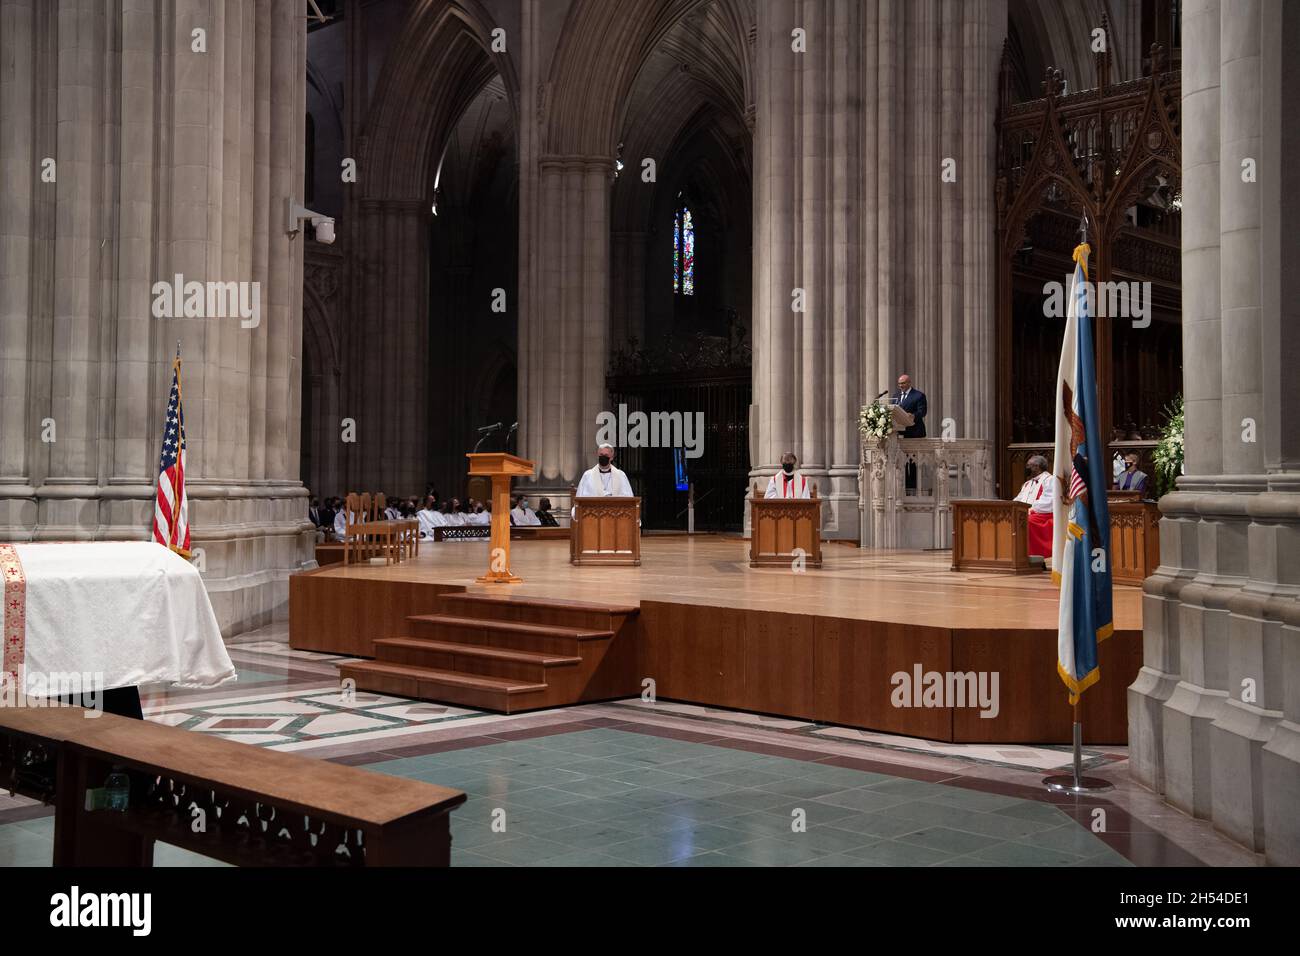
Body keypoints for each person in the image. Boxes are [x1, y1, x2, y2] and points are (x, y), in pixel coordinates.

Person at [1014, 454, 1054, 558]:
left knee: (1026, 521)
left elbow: (1049, 501)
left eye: (1029, 465)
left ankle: (1034, 556)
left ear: (1037, 467)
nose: (1026, 468)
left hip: (1044, 514)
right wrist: (1012, 507)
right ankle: (1016, 554)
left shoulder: (1050, 480)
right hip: (1027, 512)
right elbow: (1019, 499)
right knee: (1012, 519)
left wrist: (1030, 509)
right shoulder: (1027, 483)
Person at [892, 373, 927, 438]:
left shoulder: (918, 395)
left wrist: (913, 415)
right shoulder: (896, 396)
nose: (900, 385)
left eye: (903, 383)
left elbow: (922, 412)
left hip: (914, 431)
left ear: (909, 383)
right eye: (899, 383)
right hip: (899, 431)